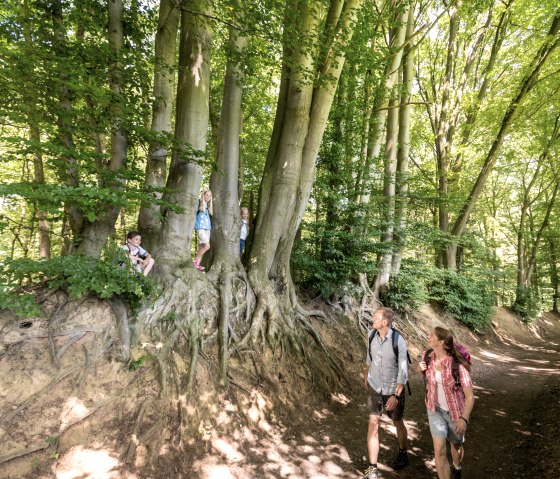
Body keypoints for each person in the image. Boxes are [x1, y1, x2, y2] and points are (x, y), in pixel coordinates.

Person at [418, 327, 475, 479]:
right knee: (439, 451)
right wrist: (421, 370)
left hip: (456, 413)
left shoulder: (457, 365)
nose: (428, 337)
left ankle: (457, 466)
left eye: (432, 335)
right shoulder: (427, 356)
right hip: (434, 409)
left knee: (455, 445)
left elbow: (470, 397)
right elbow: (428, 380)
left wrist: (464, 419)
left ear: (441, 342)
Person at [363, 308, 409, 479]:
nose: (372, 319)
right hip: (375, 386)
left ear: (384, 322)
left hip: (392, 390)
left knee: (397, 422)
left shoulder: (398, 341)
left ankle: (403, 452)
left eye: (375, 317)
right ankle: (372, 468)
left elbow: (403, 372)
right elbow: (369, 357)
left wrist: (396, 396)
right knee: (373, 422)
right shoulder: (371, 335)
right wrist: (366, 375)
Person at [193, 189, 213, 271]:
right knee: (207, 246)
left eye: (209, 196)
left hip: (207, 228)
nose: (208, 197)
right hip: (200, 227)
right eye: (206, 195)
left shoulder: (208, 206)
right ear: (203, 195)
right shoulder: (199, 202)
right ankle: (194, 261)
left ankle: (197, 263)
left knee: (202, 246)